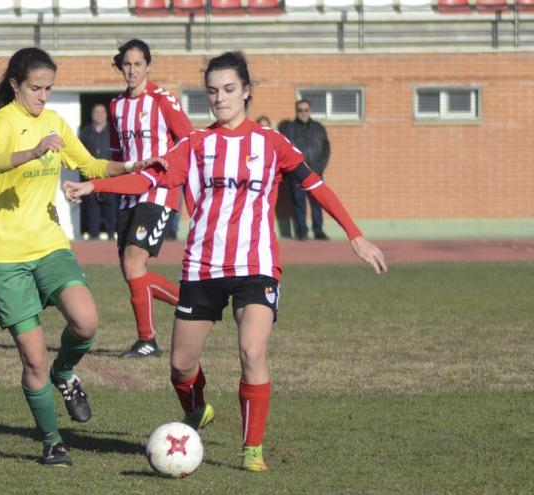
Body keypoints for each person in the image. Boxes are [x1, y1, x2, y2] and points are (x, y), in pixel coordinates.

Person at [64, 51, 387, 473]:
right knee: (180, 364)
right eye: (213, 91)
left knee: (252, 351)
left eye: (229, 89)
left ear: (246, 91)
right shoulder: (196, 143)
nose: (220, 97)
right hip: (203, 266)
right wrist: (96, 186)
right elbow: (152, 178)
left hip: (256, 266)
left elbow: (316, 185)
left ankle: (252, 448)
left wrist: (355, 234)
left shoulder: (271, 143)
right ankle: (197, 410)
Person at [0, 47, 144, 467]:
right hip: (4, 254)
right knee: (32, 357)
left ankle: (65, 372)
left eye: (49, 88)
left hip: (49, 243)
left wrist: (135, 165)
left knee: (86, 321)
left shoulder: (54, 122)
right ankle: (53, 442)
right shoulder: (3, 121)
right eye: (36, 88)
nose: (44, 96)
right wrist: (33, 152)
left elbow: (88, 165)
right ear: (15, 85)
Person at [108, 38, 194, 358]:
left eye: (137, 64)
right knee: (131, 271)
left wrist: (169, 171)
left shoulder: (162, 100)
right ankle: (191, 303)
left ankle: (147, 340)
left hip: (159, 193)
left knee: (134, 262)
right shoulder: (117, 105)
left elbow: (188, 140)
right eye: (126, 64)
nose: (131, 70)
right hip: (129, 195)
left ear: (148, 65)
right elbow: (117, 152)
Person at [279, 99, 331, 240]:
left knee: (317, 203)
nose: (303, 113)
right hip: (297, 173)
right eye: (300, 110)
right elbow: (285, 148)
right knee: (299, 203)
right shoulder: (289, 128)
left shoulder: (318, 128)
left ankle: (318, 231)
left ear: (310, 111)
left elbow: (326, 149)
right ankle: (302, 232)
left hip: (315, 172)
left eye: (306, 110)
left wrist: (319, 168)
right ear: (296, 111)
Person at [78, 103, 118, 241]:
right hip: (91, 175)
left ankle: (111, 233)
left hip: (109, 174)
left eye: (102, 112)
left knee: (110, 205)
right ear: (92, 114)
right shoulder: (85, 132)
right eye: (96, 112)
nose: (99, 115)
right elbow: (79, 152)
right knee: (91, 206)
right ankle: (94, 234)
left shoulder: (113, 132)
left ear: (106, 115)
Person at [257, 115, 293, 239]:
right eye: (261, 126)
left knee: (270, 207)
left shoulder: (276, 142)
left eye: (266, 125)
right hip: (258, 183)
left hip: (274, 182)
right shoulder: (253, 144)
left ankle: (271, 233)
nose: (264, 128)